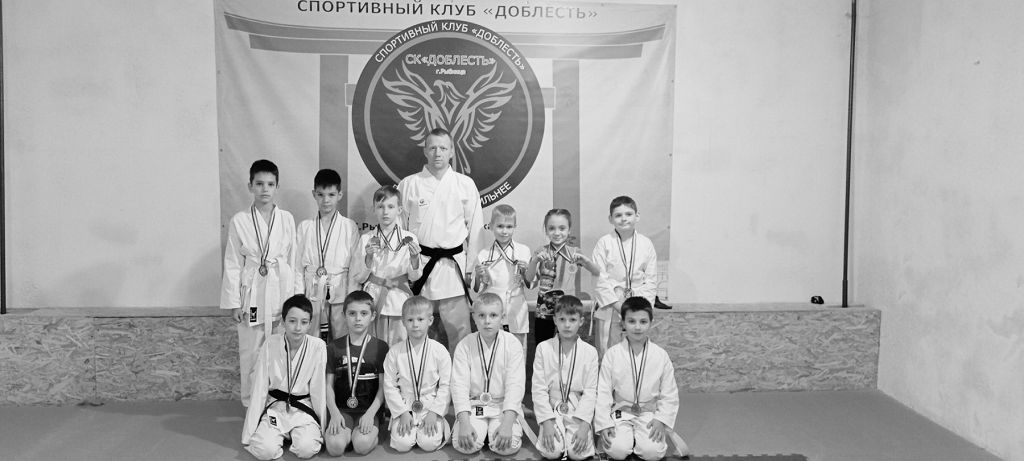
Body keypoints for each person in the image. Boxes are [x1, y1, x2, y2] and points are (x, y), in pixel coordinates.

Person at [398, 127, 484, 350]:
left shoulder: (465, 184)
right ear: (425, 150)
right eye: (433, 148)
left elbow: (475, 229)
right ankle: (420, 372)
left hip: (453, 269)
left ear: (452, 151)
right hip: (421, 267)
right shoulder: (409, 184)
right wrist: (405, 267)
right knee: (419, 332)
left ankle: (460, 373)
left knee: (460, 334)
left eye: (443, 148)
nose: (438, 153)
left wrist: (471, 270)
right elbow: (400, 231)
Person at [221, 159, 298, 407]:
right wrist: (234, 303)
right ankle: (250, 404)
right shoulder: (240, 220)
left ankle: (278, 403)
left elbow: (294, 260)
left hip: (281, 291)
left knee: (280, 352)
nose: (265, 189)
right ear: (250, 186)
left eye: (270, 184)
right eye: (259, 184)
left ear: (277, 187)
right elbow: (233, 263)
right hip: (252, 294)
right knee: (251, 353)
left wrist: (296, 300)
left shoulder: (286, 219)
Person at [595, 297, 689, 461]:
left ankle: (641, 438)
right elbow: (603, 392)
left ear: (651, 323)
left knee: (652, 453)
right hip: (621, 412)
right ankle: (627, 438)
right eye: (631, 321)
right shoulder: (612, 354)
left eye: (643, 321)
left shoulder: (660, 355)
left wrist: (661, 420)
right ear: (623, 323)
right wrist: (604, 424)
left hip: (648, 413)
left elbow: (669, 393)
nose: (637, 327)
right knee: (617, 451)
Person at [242, 294, 327, 460]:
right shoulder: (271, 343)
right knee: (265, 451)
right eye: (292, 321)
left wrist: (322, 427)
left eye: (304, 322)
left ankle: (294, 434)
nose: (298, 328)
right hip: (276, 406)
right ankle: (281, 435)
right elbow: (259, 386)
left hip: (303, 407)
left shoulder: (318, 346)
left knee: (306, 449)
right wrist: (249, 431)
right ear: (283, 321)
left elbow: (319, 389)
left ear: (310, 324)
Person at [450, 293, 527, 456]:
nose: (487, 321)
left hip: (502, 407)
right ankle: (482, 431)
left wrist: (507, 423)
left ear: (502, 317)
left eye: (493, 315)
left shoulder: (512, 344)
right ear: (474, 317)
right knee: (465, 446)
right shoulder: (464, 345)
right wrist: (464, 423)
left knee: (505, 447)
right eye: (481, 315)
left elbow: (516, 385)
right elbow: (459, 386)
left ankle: (490, 432)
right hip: (475, 405)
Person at [351, 185, 422, 345]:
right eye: (380, 207)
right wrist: (369, 258)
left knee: (401, 346)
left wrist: (414, 258)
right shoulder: (366, 239)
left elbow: (415, 277)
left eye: (390, 206)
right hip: (374, 298)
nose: (385, 212)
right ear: (374, 210)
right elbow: (359, 278)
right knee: (375, 346)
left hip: (399, 298)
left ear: (399, 210)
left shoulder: (410, 238)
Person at [531, 295, 599, 460]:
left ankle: (578, 432)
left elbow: (591, 392)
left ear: (581, 321)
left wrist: (585, 425)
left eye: (572, 319)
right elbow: (538, 389)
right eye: (562, 319)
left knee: (577, 454)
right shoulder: (543, 348)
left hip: (578, 407)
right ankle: (552, 429)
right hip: (552, 407)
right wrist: (546, 422)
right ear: (554, 320)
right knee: (552, 451)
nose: (567, 325)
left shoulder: (590, 352)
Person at [296, 169, 360, 342]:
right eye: (320, 195)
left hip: (340, 293)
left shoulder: (349, 226)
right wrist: (299, 296)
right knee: (311, 340)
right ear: (314, 194)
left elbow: (355, 266)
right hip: (312, 293)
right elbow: (297, 267)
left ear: (340, 195)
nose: (326, 200)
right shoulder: (305, 227)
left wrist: (352, 297)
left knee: (341, 340)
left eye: (331, 194)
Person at [382, 296, 452, 453]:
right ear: (403, 321)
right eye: (410, 320)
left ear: (430, 320)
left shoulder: (439, 350)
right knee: (402, 445)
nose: (415, 324)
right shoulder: (395, 352)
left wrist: (435, 412)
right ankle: (404, 423)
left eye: (420, 319)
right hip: (405, 404)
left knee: (429, 444)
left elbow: (446, 385)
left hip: (430, 405)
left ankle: (438, 422)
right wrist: (401, 412)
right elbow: (389, 385)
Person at [591, 196, 659, 358]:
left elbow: (651, 280)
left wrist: (640, 309)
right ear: (610, 219)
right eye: (618, 215)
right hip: (611, 305)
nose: (623, 219)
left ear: (637, 216)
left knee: (636, 354)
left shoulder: (646, 244)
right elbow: (599, 278)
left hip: (638, 306)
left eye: (628, 214)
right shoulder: (604, 243)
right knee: (609, 353)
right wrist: (618, 305)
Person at [323, 291, 389, 456]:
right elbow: (328, 386)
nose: (358, 319)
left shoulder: (381, 347)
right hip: (342, 410)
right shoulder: (333, 347)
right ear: (344, 315)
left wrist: (371, 414)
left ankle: (367, 434)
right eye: (352, 313)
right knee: (335, 447)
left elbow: (383, 387)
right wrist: (334, 413)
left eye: (364, 313)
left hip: (368, 410)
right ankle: (347, 435)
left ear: (372, 316)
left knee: (361, 445)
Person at [525, 209, 599, 346]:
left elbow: (597, 271)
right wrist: (535, 261)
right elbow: (529, 279)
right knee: (543, 344)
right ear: (546, 230)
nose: (557, 233)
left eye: (562, 228)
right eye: (551, 228)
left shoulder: (575, 252)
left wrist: (586, 261)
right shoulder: (541, 251)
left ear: (569, 230)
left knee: (568, 344)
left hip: (568, 306)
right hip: (544, 308)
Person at [473, 204, 531, 351]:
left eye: (509, 227)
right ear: (491, 226)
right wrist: (479, 276)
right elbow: (477, 288)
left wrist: (526, 272)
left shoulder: (524, 251)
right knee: (492, 350)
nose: (504, 231)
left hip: (516, 307)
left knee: (518, 350)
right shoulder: (484, 255)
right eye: (500, 226)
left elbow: (530, 283)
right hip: (491, 309)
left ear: (515, 227)